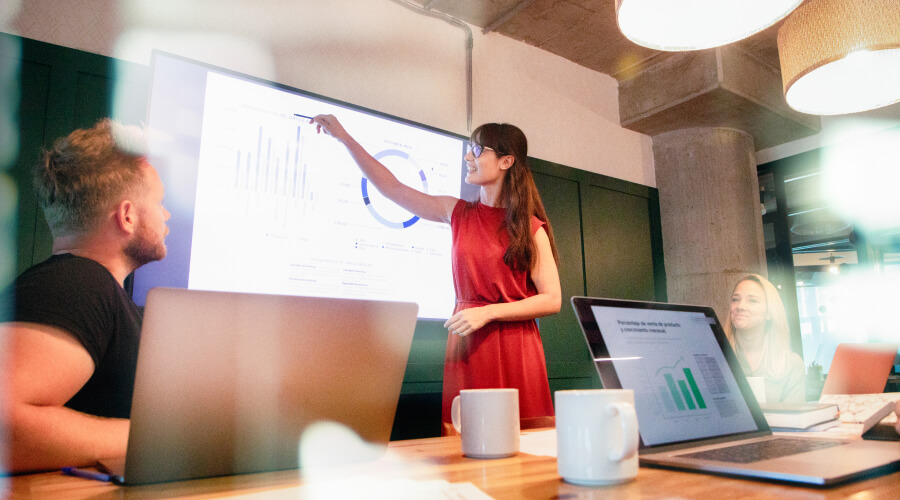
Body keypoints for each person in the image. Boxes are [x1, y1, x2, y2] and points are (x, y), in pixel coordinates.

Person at [310, 115, 561, 434]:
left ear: (506, 161)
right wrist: (345, 137)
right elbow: (391, 189)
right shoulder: (456, 212)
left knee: (525, 447)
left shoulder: (529, 227)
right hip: (469, 343)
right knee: (468, 440)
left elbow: (552, 299)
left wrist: (488, 312)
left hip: (515, 345)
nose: (468, 157)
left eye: (478, 150)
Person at [0, 119, 170, 473]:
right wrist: (149, 436)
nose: (166, 214)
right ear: (127, 215)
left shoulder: (86, 287)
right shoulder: (76, 284)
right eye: (159, 202)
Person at [723, 274, 806, 403]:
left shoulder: (792, 364)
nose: (740, 306)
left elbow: (793, 420)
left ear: (769, 312)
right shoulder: (715, 359)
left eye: (752, 301)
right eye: (735, 299)